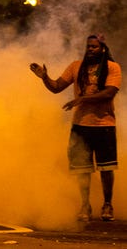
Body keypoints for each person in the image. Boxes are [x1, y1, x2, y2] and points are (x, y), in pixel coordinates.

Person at [29, 34, 121, 222]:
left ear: (103, 49)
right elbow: (56, 87)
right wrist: (44, 77)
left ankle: (107, 204)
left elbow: (109, 93)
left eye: (94, 47)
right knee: (82, 169)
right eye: (88, 46)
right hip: (80, 126)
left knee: (106, 168)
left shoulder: (113, 68)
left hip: (104, 125)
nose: (90, 50)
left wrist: (82, 99)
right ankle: (85, 205)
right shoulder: (76, 66)